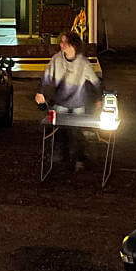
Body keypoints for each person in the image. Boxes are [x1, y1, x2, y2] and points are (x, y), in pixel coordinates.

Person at [35, 31, 101, 171]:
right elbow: (47, 77)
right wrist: (40, 91)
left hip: (77, 103)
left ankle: (79, 158)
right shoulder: (57, 59)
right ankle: (62, 158)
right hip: (60, 102)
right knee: (59, 130)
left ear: (73, 44)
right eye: (61, 42)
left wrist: (99, 98)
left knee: (77, 132)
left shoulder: (82, 63)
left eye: (65, 42)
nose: (62, 45)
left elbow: (95, 82)